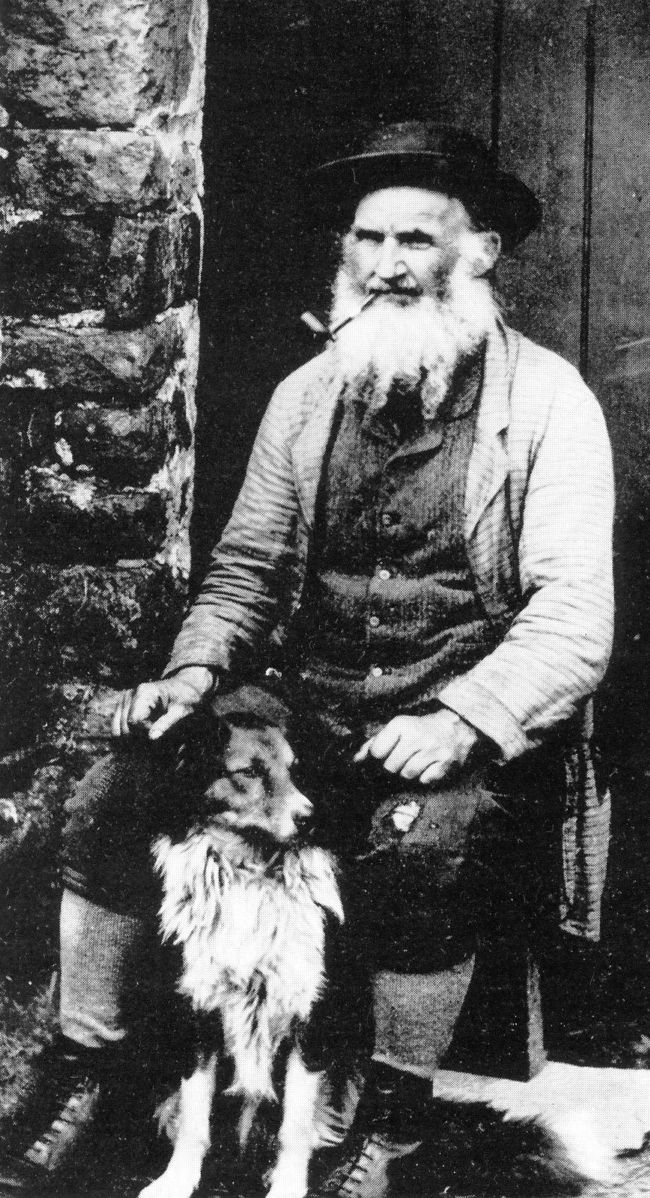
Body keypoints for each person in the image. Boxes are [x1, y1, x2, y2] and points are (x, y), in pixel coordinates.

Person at [2, 123, 615, 1198]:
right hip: (301, 709)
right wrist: (193, 675)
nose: (384, 265)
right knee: (118, 783)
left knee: (426, 839)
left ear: (476, 253)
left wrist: (461, 719)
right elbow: (243, 571)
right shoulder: (307, 394)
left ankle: (392, 1121)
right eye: (366, 240)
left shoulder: (549, 406)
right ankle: (83, 1069)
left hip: (451, 715)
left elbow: (572, 615)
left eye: (415, 240)